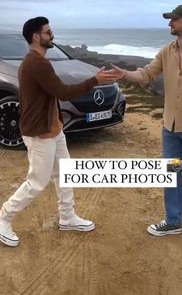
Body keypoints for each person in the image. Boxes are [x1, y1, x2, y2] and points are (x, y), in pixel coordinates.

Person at [107, 5, 182, 252]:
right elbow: (146, 74)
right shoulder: (167, 51)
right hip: (170, 125)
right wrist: (124, 74)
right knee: (171, 173)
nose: (170, 24)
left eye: (174, 20)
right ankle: (173, 221)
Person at [0, 17, 116, 247]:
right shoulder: (36, 63)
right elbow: (62, 92)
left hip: (53, 128)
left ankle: (67, 217)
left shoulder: (37, 61)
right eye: (48, 32)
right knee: (37, 182)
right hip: (40, 132)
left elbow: (52, 94)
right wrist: (94, 80)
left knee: (64, 175)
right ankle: (4, 218)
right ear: (36, 36)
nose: (52, 35)